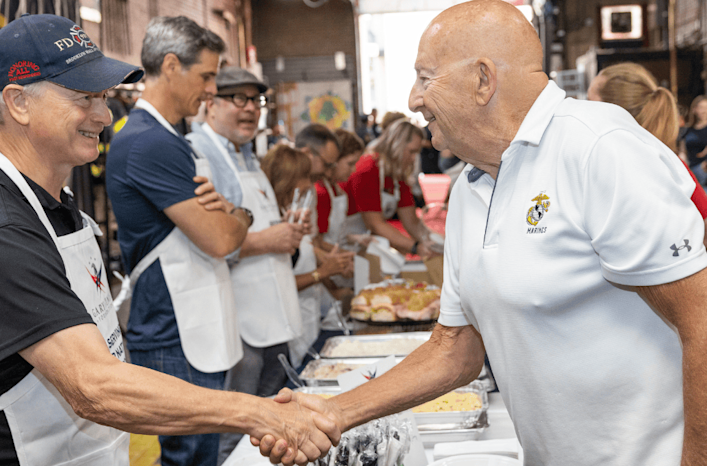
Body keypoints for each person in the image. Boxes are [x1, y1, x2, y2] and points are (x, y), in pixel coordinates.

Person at [257, 1, 707, 464]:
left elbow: (702, 322)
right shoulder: (471, 186)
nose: (413, 98)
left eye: (424, 77)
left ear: (483, 79)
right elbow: (456, 348)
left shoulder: (596, 148)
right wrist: (331, 414)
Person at [0, 14, 337, 466]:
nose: (104, 114)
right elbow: (92, 385)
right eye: (83, 97)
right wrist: (257, 413)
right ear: (18, 102)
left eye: (103, 96)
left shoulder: (55, 201)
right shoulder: (1, 230)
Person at [105, 18, 332, 466]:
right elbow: (220, 239)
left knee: (209, 451)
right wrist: (238, 213)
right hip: (174, 328)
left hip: (196, 322)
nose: (211, 89)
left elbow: (224, 226)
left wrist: (229, 214)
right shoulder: (149, 142)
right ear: (171, 66)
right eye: (206, 76)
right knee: (192, 455)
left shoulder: (170, 141)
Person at [183, 66, 307, 465]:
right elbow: (207, 242)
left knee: (267, 428)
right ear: (210, 103)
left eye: (256, 101)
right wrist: (269, 240)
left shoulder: (248, 156)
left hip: (272, 314)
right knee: (233, 432)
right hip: (238, 323)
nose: (250, 109)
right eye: (238, 99)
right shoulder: (199, 155)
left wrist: (287, 234)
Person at [587, 62, 707, 246]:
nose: (583, 111)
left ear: (614, 112)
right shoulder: (667, 161)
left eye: (589, 103)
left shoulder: (650, 167)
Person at [260, 145, 353, 368]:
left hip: (307, 324)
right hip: (282, 330)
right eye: (302, 185)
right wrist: (322, 272)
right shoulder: (269, 227)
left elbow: (307, 250)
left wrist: (327, 260)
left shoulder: (291, 215)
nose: (307, 187)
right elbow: (275, 283)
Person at [343, 118, 437, 258]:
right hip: (345, 242)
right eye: (411, 152)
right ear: (397, 145)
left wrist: (434, 242)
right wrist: (415, 247)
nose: (413, 159)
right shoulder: (368, 169)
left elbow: (411, 221)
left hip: (365, 244)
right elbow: (375, 224)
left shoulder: (397, 176)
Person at [314, 129, 365, 251]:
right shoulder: (320, 192)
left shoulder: (336, 189)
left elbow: (334, 234)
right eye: (350, 163)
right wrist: (344, 255)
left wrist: (355, 238)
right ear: (334, 160)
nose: (353, 170)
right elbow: (317, 243)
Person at [679, 95, 707, 188]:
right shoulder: (688, 129)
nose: (704, 111)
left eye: (706, 108)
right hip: (689, 170)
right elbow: (682, 148)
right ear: (694, 109)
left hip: (703, 170)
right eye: (701, 107)